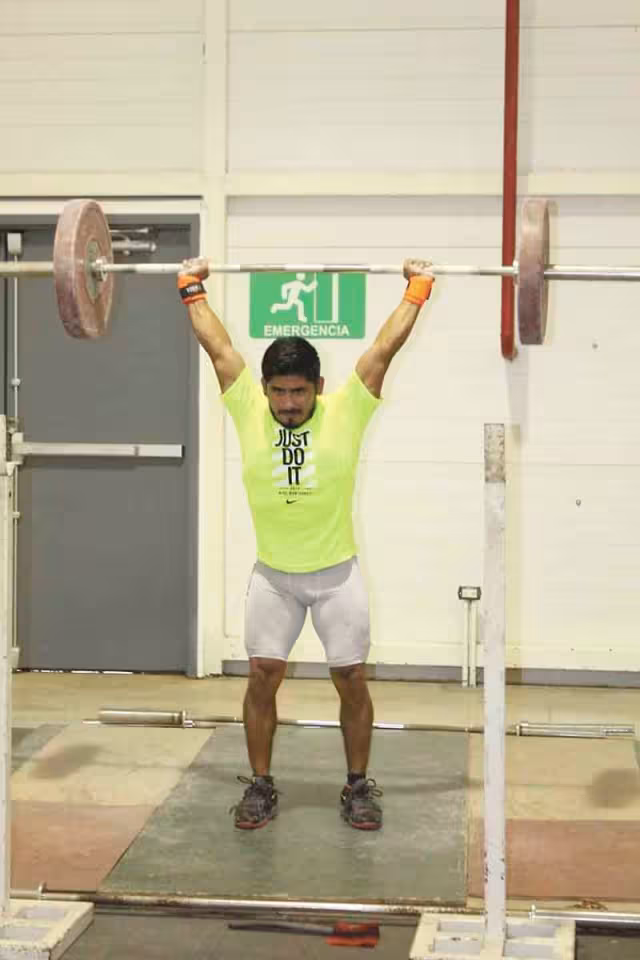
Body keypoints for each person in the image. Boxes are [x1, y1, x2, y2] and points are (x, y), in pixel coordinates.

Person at [177, 258, 434, 831]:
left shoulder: (346, 409)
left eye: (298, 391)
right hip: (274, 576)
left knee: (350, 680)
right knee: (263, 675)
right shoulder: (247, 408)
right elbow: (218, 349)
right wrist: (190, 288)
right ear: (263, 388)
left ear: (319, 387)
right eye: (278, 391)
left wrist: (418, 288)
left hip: (337, 575)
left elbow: (382, 351)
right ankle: (261, 786)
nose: (288, 403)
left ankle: (357, 786)